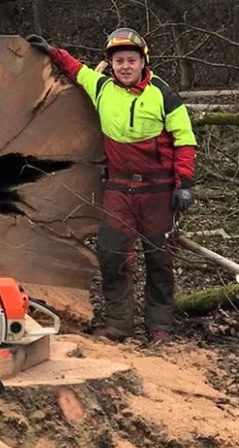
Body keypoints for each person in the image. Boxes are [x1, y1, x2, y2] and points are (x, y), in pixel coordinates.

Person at [27, 28, 196, 344]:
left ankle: (159, 326)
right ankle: (119, 323)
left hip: (158, 191)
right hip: (119, 189)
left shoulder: (163, 94)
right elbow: (77, 71)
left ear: (143, 62)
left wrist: (184, 183)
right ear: (111, 64)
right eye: (119, 61)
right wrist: (53, 51)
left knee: (160, 260)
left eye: (132, 60)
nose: (125, 66)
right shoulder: (102, 87)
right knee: (112, 254)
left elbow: (185, 139)